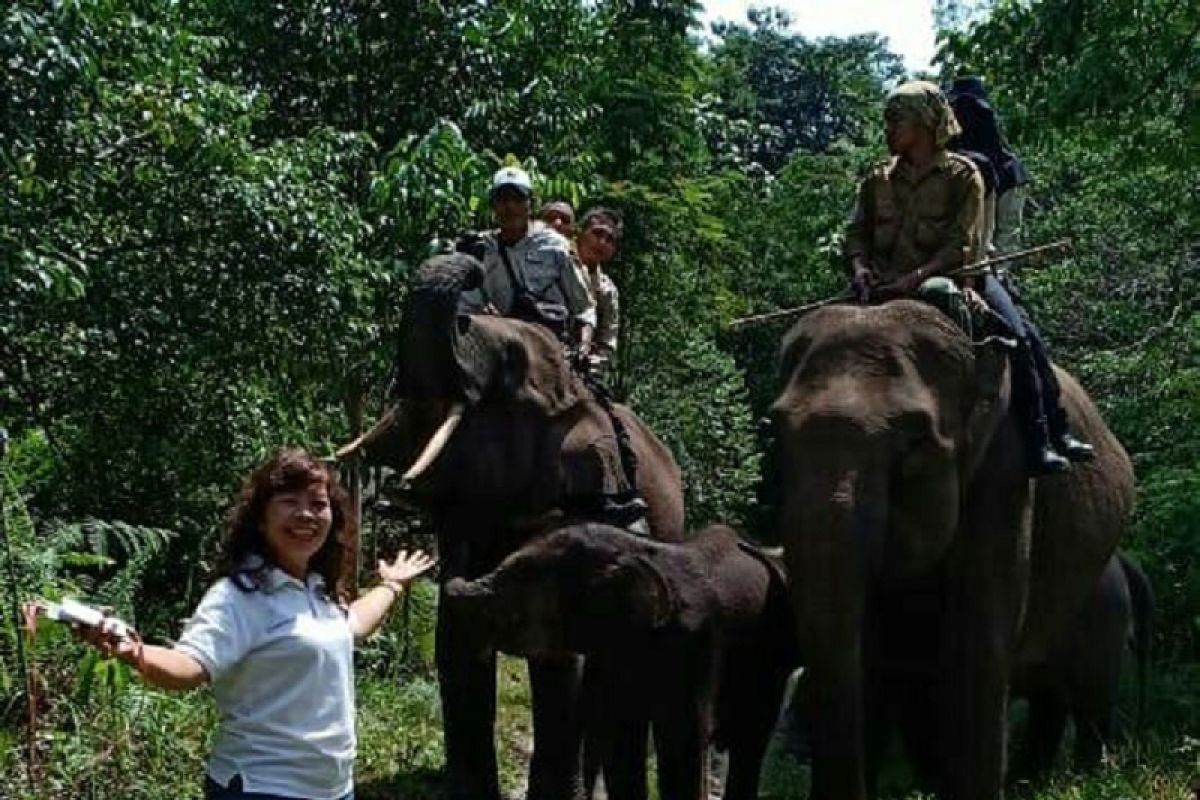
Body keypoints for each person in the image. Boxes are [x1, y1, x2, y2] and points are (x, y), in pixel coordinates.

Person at [77, 448, 437, 800]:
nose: (306, 514)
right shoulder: (239, 596)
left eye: (317, 503)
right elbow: (188, 666)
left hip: (333, 788)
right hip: (262, 785)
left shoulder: (316, 590)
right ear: (260, 518)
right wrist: (130, 649)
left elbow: (354, 623)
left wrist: (392, 584)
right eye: (289, 501)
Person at [844, 81, 1091, 473]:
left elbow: (962, 245)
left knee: (1020, 338)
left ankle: (1041, 435)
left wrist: (912, 281)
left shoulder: (965, 176)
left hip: (956, 277)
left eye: (896, 121)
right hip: (879, 284)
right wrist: (860, 270)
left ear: (925, 124)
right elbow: (856, 234)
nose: (887, 130)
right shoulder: (875, 181)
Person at [458, 167, 596, 354]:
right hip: (497, 346)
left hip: (550, 349)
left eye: (518, 199)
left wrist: (584, 345)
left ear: (531, 204)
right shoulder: (480, 250)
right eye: (503, 199)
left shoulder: (555, 246)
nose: (510, 207)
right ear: (493, 205)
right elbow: (465, 309)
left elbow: (583, 308)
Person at [947, 75, 1029, 254]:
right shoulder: (978, 112)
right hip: (993, 175)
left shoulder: (972, 110)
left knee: (1004, 238)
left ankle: (997, 276)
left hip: (1006, 176)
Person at [574, 207, 624, 378]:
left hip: (577, 364)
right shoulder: (553, 262)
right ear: (580, 234)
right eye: (597, 233)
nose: (602, 243)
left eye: (610, 239)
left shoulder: (607, 290)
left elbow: (608, 338)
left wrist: (595, 362)